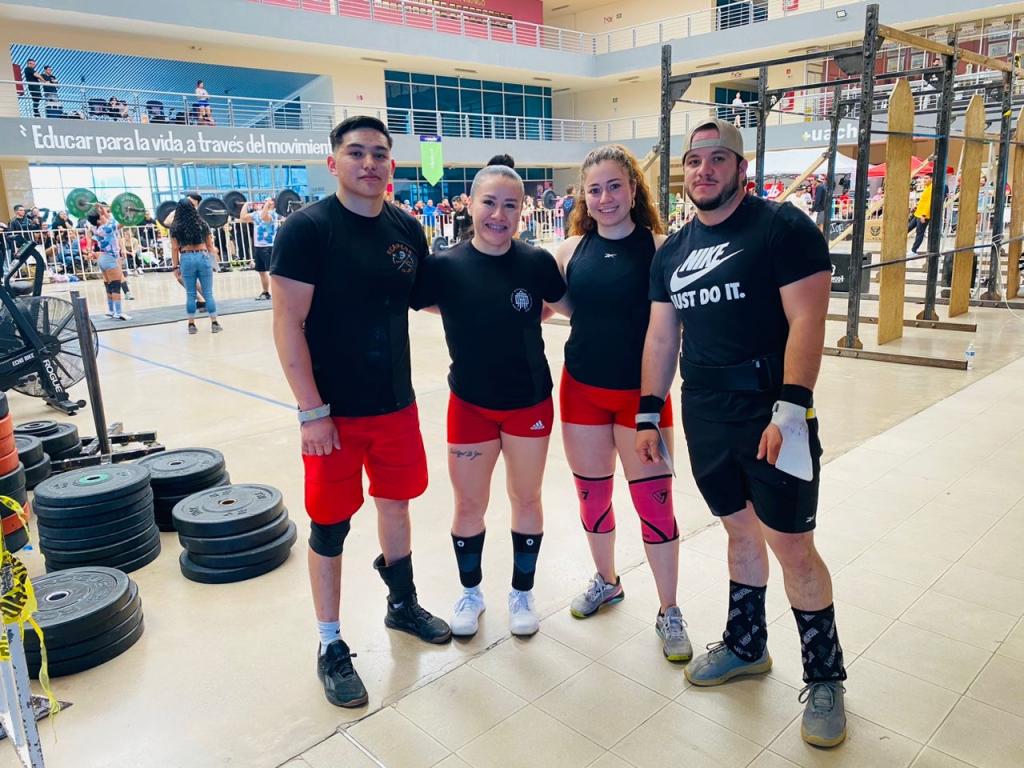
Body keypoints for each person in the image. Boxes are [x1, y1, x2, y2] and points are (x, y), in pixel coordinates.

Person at [640, 118, 847, 747]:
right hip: (705, 409)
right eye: (693, 160)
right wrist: (648, 411)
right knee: (738, 530)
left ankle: (826, 676)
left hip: (771, 409)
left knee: (792, 544)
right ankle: (746, 645)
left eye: (717, 159)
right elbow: (662, 337)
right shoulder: (673, 251)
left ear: (741, 168)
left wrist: (791, 407)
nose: (702, 169)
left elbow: (808, 318)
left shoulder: (783, 228)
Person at [271, 115, 451, 709]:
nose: (369, 162)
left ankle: (402, 604)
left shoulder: (406, 227)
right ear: (334, 163)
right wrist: (312, 411)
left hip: (395, 405)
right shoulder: (307, 230)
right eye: (356, 152)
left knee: (396, 504)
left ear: (392, 165)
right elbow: (288, 324)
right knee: (330, 525)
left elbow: (429, 298)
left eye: (379, 153)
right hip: (333, 415)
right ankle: (330, 643)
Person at [410, 163, 565, 639]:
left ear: (522, 210)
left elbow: (566, 306)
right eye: (490, 203)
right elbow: (424, 301)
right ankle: (471, 593)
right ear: (471, 205)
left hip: (529, 403)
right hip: (470, 405)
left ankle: (522, 593)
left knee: (526, 497)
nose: (499, 214)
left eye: (510, 205)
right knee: (469, 503)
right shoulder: (444, 265)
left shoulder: (537, 262)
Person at [551, 144, 690, 662]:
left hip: (643, 400)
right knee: (592, 499)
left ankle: (669, 609)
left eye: (614, 186)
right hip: (582, 392)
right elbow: (553, 307)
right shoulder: (568, 252)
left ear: (634, 189)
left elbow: (676, 325)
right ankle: (607, 580)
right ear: (583, 198)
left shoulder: (662, 248)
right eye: (595, 189)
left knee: (656, 505)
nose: (605, 197)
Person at [168, 199, 222, 334]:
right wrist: (214, 263)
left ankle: (191, 325)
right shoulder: (202, 224)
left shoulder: (175, 227)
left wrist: (175, 267)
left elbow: (174, 248)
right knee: (208, 293)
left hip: (186, 258)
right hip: (203, 256)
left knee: (190, 294)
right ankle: (214, 323)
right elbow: (210, 246)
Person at [86, 207, 131, 321]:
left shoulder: (96, 227)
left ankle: (111, 311)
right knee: (116, 286)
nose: (104, 215)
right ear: (98, 220)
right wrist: (128, 212)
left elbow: (108, 218)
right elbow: (123, 222)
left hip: (103, 258)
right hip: (109, 259)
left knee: (109, 286)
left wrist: (101, 209)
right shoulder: (106, 228)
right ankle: (118, 313)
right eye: (101, 215)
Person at [241, 197, 278, 300]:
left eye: (268, 201)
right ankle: (266, 292)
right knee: (261, 271)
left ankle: (278, 293)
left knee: (273, 273)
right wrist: (246, 205)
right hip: (258, 247)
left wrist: (266, 206)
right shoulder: (256, 214)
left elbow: (264, 217)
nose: (265, 202)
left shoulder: (273, 214)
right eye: (265, 201)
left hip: (269, 247)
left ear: (273, 204)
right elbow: (243, 217)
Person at [910, 179, 932, 255]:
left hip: (923, 215)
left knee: (919, 232)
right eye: (924, 178)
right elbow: (923, 201)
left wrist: (924, 215)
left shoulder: (931, 188)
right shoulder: (926, 187)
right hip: (917, 213)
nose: (924, 180)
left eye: (926, 178)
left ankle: (913, 250)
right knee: (908, 228)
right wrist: (916, 207)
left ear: (931, 179)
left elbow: (929, 203)